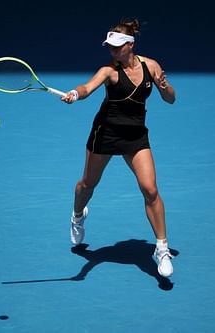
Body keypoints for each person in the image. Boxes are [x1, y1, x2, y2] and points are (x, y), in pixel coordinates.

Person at [61, 19, 176, 278]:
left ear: (130, 45)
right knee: (87, 185)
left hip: (135, 136)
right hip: (106, 134)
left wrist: (165, 86)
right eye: (110, 47)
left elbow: (170, 99)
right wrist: (75, 94)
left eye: (117, 46)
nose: (112, 51)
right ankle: (78, 215)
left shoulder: (152, 66)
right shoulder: (109, 70)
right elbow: (88, 87)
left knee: (150, 189)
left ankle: (161, 248)